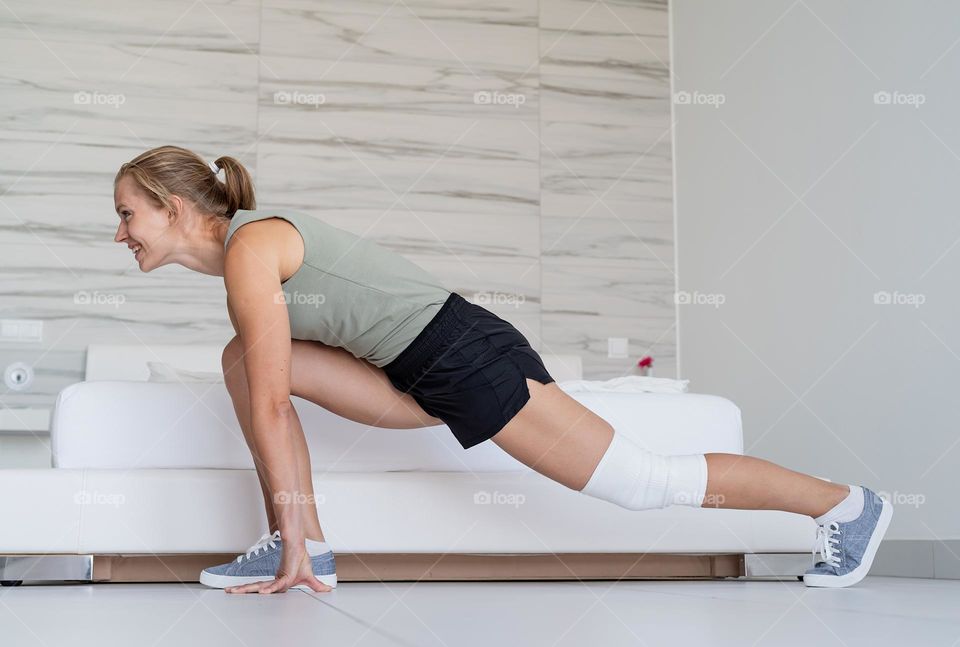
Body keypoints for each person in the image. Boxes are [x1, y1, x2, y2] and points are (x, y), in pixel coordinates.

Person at [112, 145, 893, 594]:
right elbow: (272, 388)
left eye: (128, 214)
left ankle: (845, 506)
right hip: (419, 365)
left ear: (175, 209)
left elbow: (279, 409)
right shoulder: (246, 259)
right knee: (241, 361)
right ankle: (304, 540)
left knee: (644, 482)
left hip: (462, 352)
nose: (122, 233)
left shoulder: (251, 248)